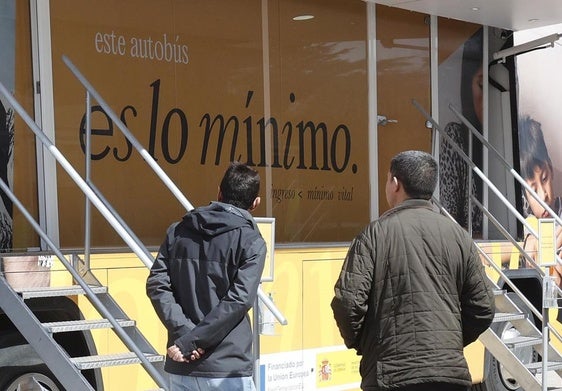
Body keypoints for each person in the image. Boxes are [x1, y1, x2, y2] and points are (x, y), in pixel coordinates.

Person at [331, 150, 495, 391]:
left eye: (388, 180)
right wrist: (449, 341)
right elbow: (483, 307)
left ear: (395, 184)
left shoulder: (374, 235)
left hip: (391, 375)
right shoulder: (460, 236)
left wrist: (366, 344)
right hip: (449, 375)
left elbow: (347, 303)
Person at [146, 161, 266, 391]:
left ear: (219, 193)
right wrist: (192, 341)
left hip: (182, 366)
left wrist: (184, 335)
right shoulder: (252, 242)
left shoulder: (177, 230)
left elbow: (157, 284)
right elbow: (238, 301)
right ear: (255, 203)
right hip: (226, 368)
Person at [439, 28, 484, 236]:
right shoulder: (456, 137)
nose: (486, 97)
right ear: (467, 86)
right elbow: (448, 211)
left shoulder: (518, 143)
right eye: (481, 84)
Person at [518, 115, 562, 285]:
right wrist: (528, 238)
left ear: (551, 170)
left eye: (544, 179)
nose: (543, 196)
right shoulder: (523, 224)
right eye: (533, 189)